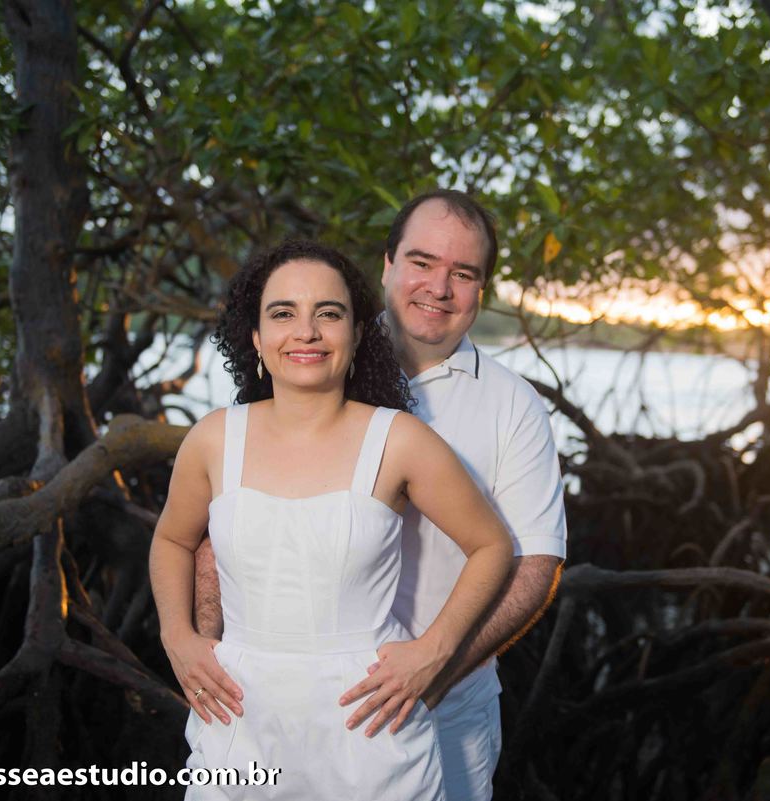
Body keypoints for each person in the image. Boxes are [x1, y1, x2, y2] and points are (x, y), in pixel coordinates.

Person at [196, 190, 568, 800]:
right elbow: (229, 519)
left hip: (445, 708)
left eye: (463, 273)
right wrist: (204, 646)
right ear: (388, 264)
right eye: (422, 262)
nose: (439, 287)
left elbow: (535, 565)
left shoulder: (514, 406)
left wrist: (433, 669)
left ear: (482, 290)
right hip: (267, 708)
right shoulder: (311, 358)